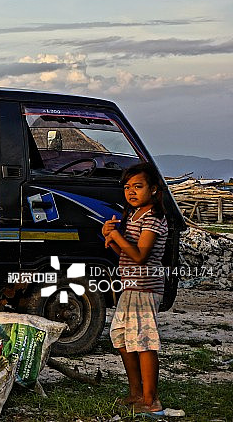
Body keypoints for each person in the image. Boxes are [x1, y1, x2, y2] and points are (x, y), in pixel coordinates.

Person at [102, 162, 168, 415]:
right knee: (121, 337)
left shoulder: (152, 217)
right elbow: (126, 254)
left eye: (138, 186)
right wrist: (110, 236)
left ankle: (151, 401)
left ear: (153, 189)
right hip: (131, 286)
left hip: (145, 287)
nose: (131, 192)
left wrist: (117, 237)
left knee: (143, 342)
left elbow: (141, 256)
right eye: (127, 187)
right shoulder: (134, 216)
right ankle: (136, 393)